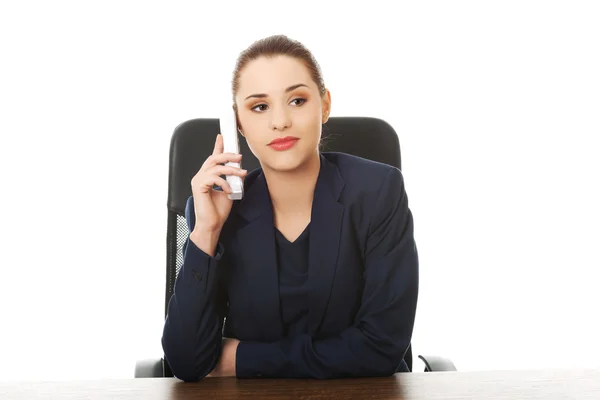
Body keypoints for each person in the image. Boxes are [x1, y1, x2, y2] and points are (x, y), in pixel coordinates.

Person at [161, 34, 419, 382]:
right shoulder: (213, 211)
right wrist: (206, 230)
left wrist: (241, 359)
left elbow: (381, 348)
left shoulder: (378, 192)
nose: (280, 121)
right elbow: (187, 363)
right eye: (259, 107)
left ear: (324, 105)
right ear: (237, 123)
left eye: (297, 100)